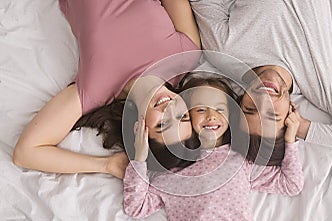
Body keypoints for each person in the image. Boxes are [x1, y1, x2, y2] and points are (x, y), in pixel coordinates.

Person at [12, 0, 201, 179]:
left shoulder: (95, 91)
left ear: (140, 133)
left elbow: (25, 152)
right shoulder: (185, 55)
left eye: (162, 125)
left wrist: (107, 164)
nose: (170, 110)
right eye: (182, 116)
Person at [190, 0, 332, 157]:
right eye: (273, 115)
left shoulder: (223, 51)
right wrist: (302, 128)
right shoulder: (320, 83)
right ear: (290, 113)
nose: (264, 100)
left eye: (250, 109)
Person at [123, 76, 304, 221]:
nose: (211, 115)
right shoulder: (166, 177)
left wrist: (290, 139)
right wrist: (139, 159)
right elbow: (135, 208)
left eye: (219, 109)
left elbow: (291, 184)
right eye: (201, 109)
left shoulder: (239, 160)